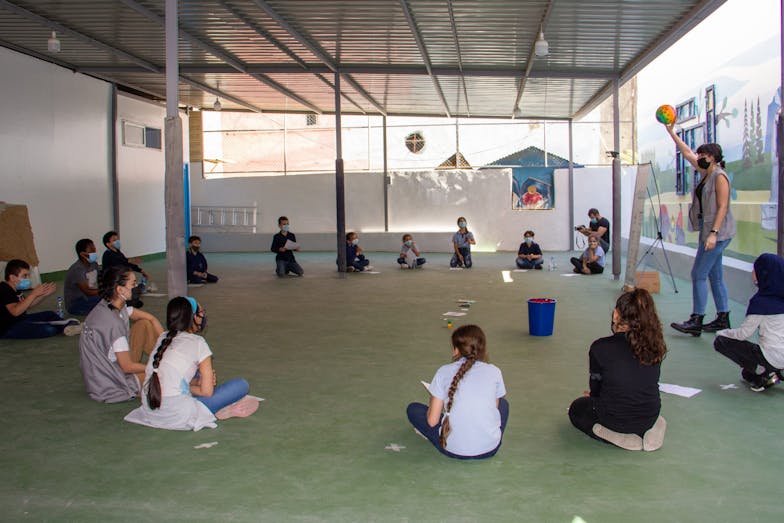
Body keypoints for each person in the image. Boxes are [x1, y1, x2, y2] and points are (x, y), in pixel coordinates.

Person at [124, 296, 259, 431]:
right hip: (180, 415)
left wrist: (194, 384)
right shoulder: (198, 343)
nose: (202, 315)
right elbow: (206, 392)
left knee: (197, 376)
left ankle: (209, 401)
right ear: (192, 317)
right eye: (200, 312)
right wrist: (197, 387)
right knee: (241, 385)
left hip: (150, 411)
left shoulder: (163, 338)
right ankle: (215, 409)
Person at [568, 289, 668, 451]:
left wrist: (593, 398)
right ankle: (649, 430)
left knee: (576, 409)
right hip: (650, 414)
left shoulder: (600, 347)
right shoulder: (655, 345)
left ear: (616, 315)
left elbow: (596, 387)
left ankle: (615, 436)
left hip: (614, 418)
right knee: (640, 412)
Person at [664, 130, 735, 336]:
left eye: (703, 154)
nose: (699, 157)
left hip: (718, 233)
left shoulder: (719, 177)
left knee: (698, 274)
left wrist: (713, 233)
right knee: (715, 275)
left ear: (712, 157)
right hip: (709, 230)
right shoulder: (706, 173)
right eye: (699, 154)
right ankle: (723, 318)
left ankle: (696, 319)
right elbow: (686, 152)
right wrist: (671, 131)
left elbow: (723, 206)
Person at [407, 325, 508, 459]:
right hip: (490, 449)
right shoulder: (494, 371)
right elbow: (494, 409)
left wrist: (434, 398)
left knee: (413, 409)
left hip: (451, 449)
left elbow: (432, 421)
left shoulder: (443, 371)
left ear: (456, 350)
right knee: (504, 404)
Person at [79, 265, 164, 403]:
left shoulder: (108, 305)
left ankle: (164, 356)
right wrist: (157, 369)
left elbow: (149, 318)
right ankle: (164, 364)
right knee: (165, 378)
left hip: (98, 374)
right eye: (133, 284)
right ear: (120, 290)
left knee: (144, 324)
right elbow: (127, 366)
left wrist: (166, 341)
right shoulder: (114, 323)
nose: (136, 286)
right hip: (109, 384)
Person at [714, 253, 784, 392]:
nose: (752, 273)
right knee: (746, 373)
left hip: (771, 356)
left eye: (755, 270)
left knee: (720, 341)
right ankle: (776, 372)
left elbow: (743, 334)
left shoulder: (761, 302)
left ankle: (765, 375)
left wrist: (722, 332)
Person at [0, 259, 80, 339]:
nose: (27, 278)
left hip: (20, 319)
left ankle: (67, 326)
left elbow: (27, 305)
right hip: (8, 328)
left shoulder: (16, 288)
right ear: (12, 277)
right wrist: (33, 294)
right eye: (24, 276)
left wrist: (43, 295)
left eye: (28, 275)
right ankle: (65, 327)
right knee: (48, 330)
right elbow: (15, 312)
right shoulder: (4, 289)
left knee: (49, 314)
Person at [101, 230, 148, 307]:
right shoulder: (107, 254)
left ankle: (130, 299)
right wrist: (129, 260)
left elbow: (126, 263)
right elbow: (121, 262)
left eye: (117, 239)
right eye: (114, 240)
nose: (117, 241)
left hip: (119, 276)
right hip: (112, 279)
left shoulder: (118, 252)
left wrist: (141, 270)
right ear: (108, 244)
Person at [64, 238, 101, 315]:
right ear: (82, 254)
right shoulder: (77, 269)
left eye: (94, 250)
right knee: (107, 301)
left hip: (90, 297)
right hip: (76, 303)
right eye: (91, 250)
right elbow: (87, 291)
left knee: (110, 299)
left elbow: (100, 279)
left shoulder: (94, 264)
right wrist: (105, 291)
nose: (94, 252)